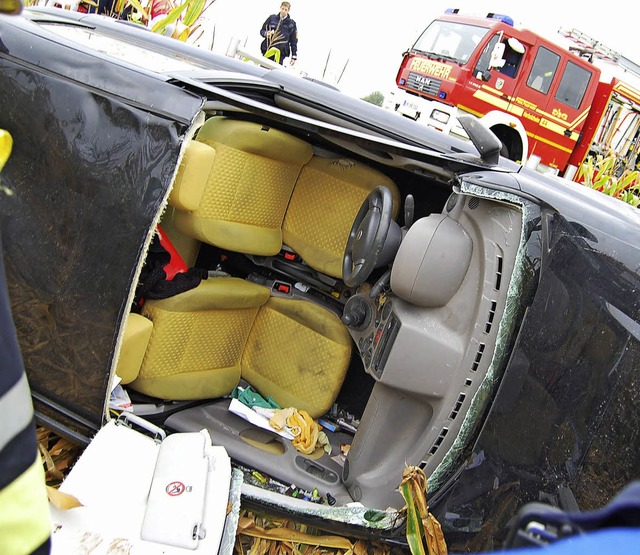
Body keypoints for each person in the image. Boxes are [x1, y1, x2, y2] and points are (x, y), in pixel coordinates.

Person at [259, 2, 298, 66]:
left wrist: (294, 56)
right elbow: (262, 31)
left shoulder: (291, 24)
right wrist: (266, 34)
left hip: (280, 53)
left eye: (286, 10)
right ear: (280, 8)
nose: (283, 11)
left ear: (288, 10)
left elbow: (293, 41)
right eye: (282, 9)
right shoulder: (272, 18)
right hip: (268, 49)